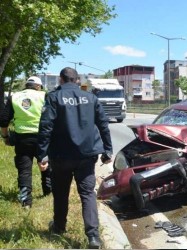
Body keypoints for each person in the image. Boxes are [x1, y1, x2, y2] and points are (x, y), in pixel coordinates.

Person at [36, 67, 113, 249]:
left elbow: (45, 127)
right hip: (86, 155)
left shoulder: (54, 97)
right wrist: (107, 150)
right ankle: (93, 237)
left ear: (61, 80)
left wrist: (42, 155)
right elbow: (103, 124)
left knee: (61, 193)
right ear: (77, 80)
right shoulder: (91, 98)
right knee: (87, 194)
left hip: (61, 156)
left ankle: (59, 227)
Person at [0, 76, 52, 208]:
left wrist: (5, 137)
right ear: (39, 86)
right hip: (42, 137)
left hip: (22, 138)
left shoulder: (15, 97)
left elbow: (4, 120)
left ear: (26, 85)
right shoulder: (44, 96)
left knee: (24, 170)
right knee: (45, 163)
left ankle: (25, 201)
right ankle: (48, 192)